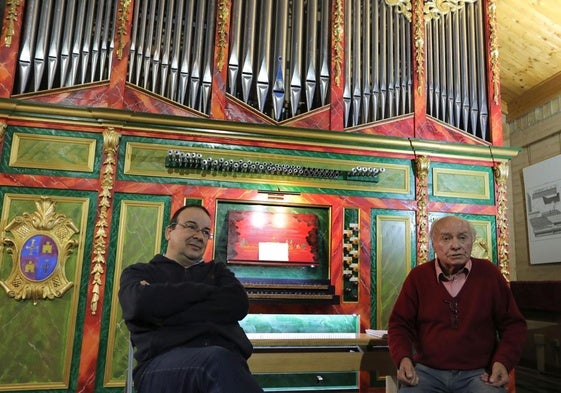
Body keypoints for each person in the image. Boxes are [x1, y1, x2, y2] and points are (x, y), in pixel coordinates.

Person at [119, 204, 264, 393]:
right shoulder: (139, 272)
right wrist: (206, 293)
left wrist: (164, 306)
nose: (199, 236)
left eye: (205, 232)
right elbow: (137, 304)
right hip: (160, 367)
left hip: (225, 362)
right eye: (191, 226)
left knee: (221, 362)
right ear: (169, 231)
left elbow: (238, 304)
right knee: (216, 362)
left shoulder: (217, 271)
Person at [388, 215, 527, 392]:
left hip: (479, 373)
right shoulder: (418, 277)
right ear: (433, 244)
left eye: (462, 237)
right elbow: (399, 325)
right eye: (446, 238)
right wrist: (403, 358)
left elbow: (514, 325)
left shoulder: (489, 274)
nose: (455, 245)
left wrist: (502, 362)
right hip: (427, 372)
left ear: (472, 241)